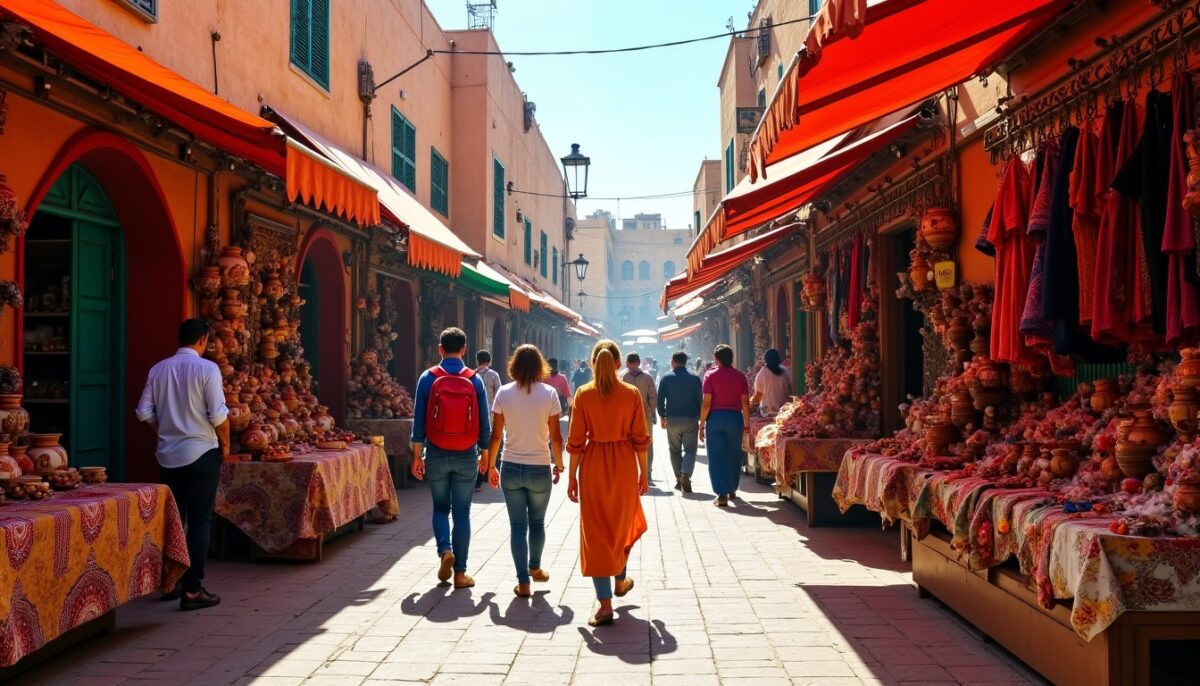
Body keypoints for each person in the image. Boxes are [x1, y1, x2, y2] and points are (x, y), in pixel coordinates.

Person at [135, 319, 229, 610]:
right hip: (202, 451)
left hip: (168, 455)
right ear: (202, 340)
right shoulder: (207, 369)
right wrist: (226, 444)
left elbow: (143, 412)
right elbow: (219, 415)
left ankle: (171, 582)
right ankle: (192, 589)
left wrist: (165, 431)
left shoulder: (159, 369)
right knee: (200, 520)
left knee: (174, 519)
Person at [566, 339, 650, 627]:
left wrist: (572, 478)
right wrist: (644, 472)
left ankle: (604, 605)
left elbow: (576, 442)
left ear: (592, 363)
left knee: (596, 533)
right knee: (621, 524)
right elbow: (641, 438)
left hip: (593, 466)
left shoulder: (583, 395)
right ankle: (620, 577)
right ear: (618, 363)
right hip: (624, 463)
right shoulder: (631, 394)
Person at [410, 327, 492, 589]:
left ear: (440, 349)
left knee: (440, 508)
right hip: (467, 453)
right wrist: (486, 456)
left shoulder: (428, 377)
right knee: (462, 513)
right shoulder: (475, 379)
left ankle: (445, 549)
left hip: (436, 451)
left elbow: (419, 421)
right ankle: (460, 573)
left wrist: (416, 456)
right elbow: (484, 423)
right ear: (465, 349)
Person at [484, 345, 564, 598]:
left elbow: (496, 435)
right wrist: (560, 464)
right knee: (537, 522)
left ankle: (523, 582)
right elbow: (556, 437)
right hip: (540, 466)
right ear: (541, 365)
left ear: (514, 365)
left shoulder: (504, 393)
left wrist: (491, 466)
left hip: (510, 466)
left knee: (517, 526)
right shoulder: (550, 393)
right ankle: (535, 567)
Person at [700, 344, 751, 507]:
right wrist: (747, 422)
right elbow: (745, 402)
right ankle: (732, 488)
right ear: (732, 358)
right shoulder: (740, 376)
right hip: (734, 418)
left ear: (716, 359)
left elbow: (706, 402)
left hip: (715, 419)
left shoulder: (710, 375)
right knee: (734, 454)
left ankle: (721, 494)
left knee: (716, 457)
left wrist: (701, 424)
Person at [657, 351, 702, 492]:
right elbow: (699, 400)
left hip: (672, 420)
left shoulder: (666, 378)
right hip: (690, 419)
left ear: (672, 362)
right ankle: (685, 474)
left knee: (674, 450)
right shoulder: (694, 378)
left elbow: (660, 400)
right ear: (686, 362)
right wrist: (701, 419)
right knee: (690, 450)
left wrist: (662, 416)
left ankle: (678, 477)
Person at [618, 352, 657, 475]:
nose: (634, 367)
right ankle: (630, 470)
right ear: (627, 364)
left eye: (635, 364)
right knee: (627, 442)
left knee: (647, 442)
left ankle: (647, 471)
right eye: (632, 364)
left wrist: (650, 409)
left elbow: (653, 396)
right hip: (626, 416)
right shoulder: (622, 377)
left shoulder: (647, 377)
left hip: (644, 415)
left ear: (639, 363)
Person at [474, 350, 503, 492]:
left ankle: (477, 480)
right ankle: (488, 474)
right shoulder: (494, 375)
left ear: (477, 361)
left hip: (474, 416)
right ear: (489, 361)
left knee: (477, 446)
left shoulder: (471, 375)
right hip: (491, 415)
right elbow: (500, 395)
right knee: (491, 445)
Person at [752, 348, 793, 415]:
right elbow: (790, 391)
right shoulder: (785, 371)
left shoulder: (761, 374)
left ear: (765, 359)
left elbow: (758, 398)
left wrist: (752, 403)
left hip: (767, 412)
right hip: (785, 411)